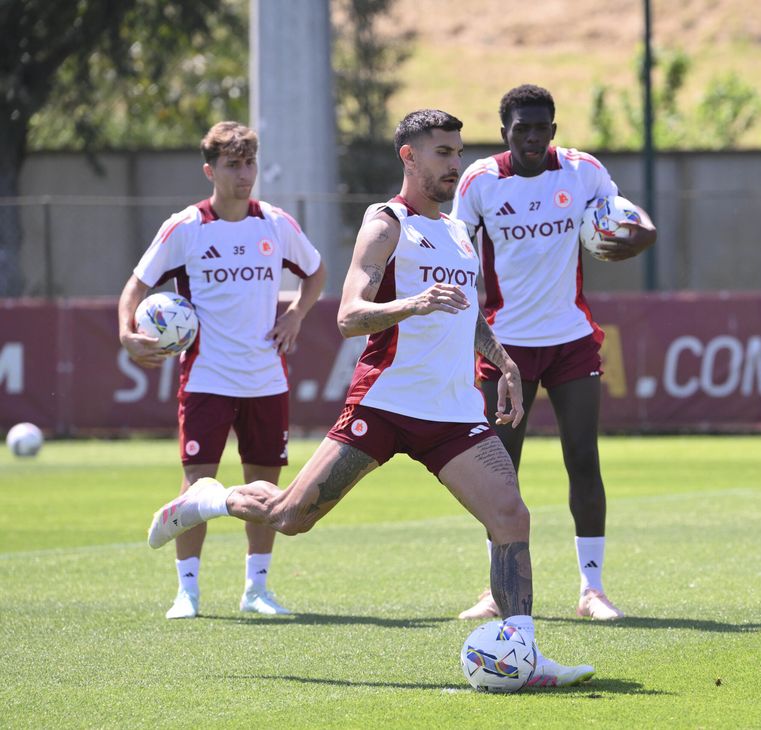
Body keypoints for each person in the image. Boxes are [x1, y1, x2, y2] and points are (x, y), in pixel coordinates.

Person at [145, 109, 595, 687]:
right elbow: (349, 315)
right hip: (383, 403)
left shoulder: (458, 230)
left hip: (453, 412)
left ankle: (525, 654)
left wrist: (503, 359)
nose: (455, 164)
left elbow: (466, 309)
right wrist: (410, 304)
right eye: (442, 153)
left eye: (458, 153)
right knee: (290, 517)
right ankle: (208, 500)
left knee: (511, 515)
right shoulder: (386, 223)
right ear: (409, 157)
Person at [451, 84, 657, 622]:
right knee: (500, 471)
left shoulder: (584, 172)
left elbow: (627, 221)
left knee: (583, 459)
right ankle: (498, 590)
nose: (534, 138)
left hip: (570, 340)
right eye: (523, 129)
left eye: (543, 127)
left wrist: (644, 235)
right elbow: (458, 259)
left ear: (554, 130)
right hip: (505, 348)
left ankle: (593, 590)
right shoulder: (479, 183)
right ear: (505, 133)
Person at [119, 121, 327, 619]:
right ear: (210, 170)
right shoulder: (186, 227)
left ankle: (257, 589)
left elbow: (316, 271)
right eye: (233, 165)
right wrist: (127, 333)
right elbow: (136, 286)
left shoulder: (275, 224)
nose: (244, 174)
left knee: (264, 488)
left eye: (250, 162)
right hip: (207, 378)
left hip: (266, 379)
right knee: (198, 488)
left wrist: (296, 314)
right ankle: (187, 592)